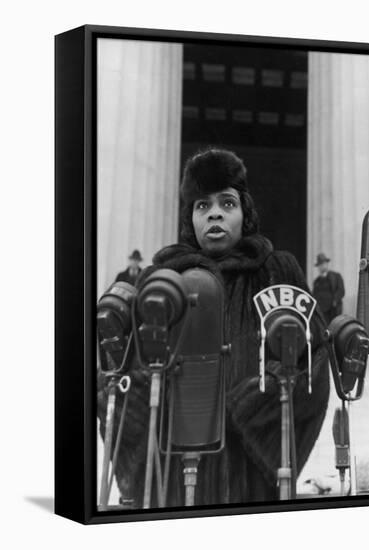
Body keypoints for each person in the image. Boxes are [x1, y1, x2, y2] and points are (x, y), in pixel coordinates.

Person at [97, 148, 330, 507]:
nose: (215, 213)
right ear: (189, 218)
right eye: (202, 206)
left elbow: (311, 361)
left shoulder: (276, 272)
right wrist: (155, 396)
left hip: (249, 470)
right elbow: (124, 375)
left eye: (227, 203)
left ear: (244, 213)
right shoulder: (162, 278)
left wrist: (246, 404)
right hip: (171, 466)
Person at [312, 253, 345, 324]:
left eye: (323, 264)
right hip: (321, 311)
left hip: (333, 310)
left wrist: (335, 300)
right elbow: (314, 295)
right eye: (320, 265)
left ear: (327, 264)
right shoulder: (316, 281)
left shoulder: (336, 277)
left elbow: (341, 290)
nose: (322, 266)